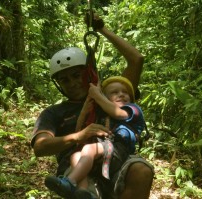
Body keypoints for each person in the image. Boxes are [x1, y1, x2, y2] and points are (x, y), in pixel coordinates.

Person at [31, 13, 154, 199]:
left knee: (142, 170)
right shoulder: (54, 112)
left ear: (87, 72)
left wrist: (101, 29)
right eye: (65, 80)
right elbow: (40, 147)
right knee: (82, 190)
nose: (72, 83)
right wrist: (79, 136)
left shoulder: (109, 95)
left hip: (116, 159)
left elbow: (136, 59)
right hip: (77, 166)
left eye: (76, 75)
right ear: (59, 85)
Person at [44, 76, 146, 198]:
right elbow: (79, 129)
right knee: (75, 155)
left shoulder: (133, 109)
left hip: (120, 149)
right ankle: (84, 192)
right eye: (115, 92)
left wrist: (96, 95)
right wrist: (85, 109)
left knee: (89, 149)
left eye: (125, 92)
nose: (121, 94)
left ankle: (69, 182)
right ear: (106, 99)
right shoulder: (103, 113)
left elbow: (117, 113)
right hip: (107, 149)